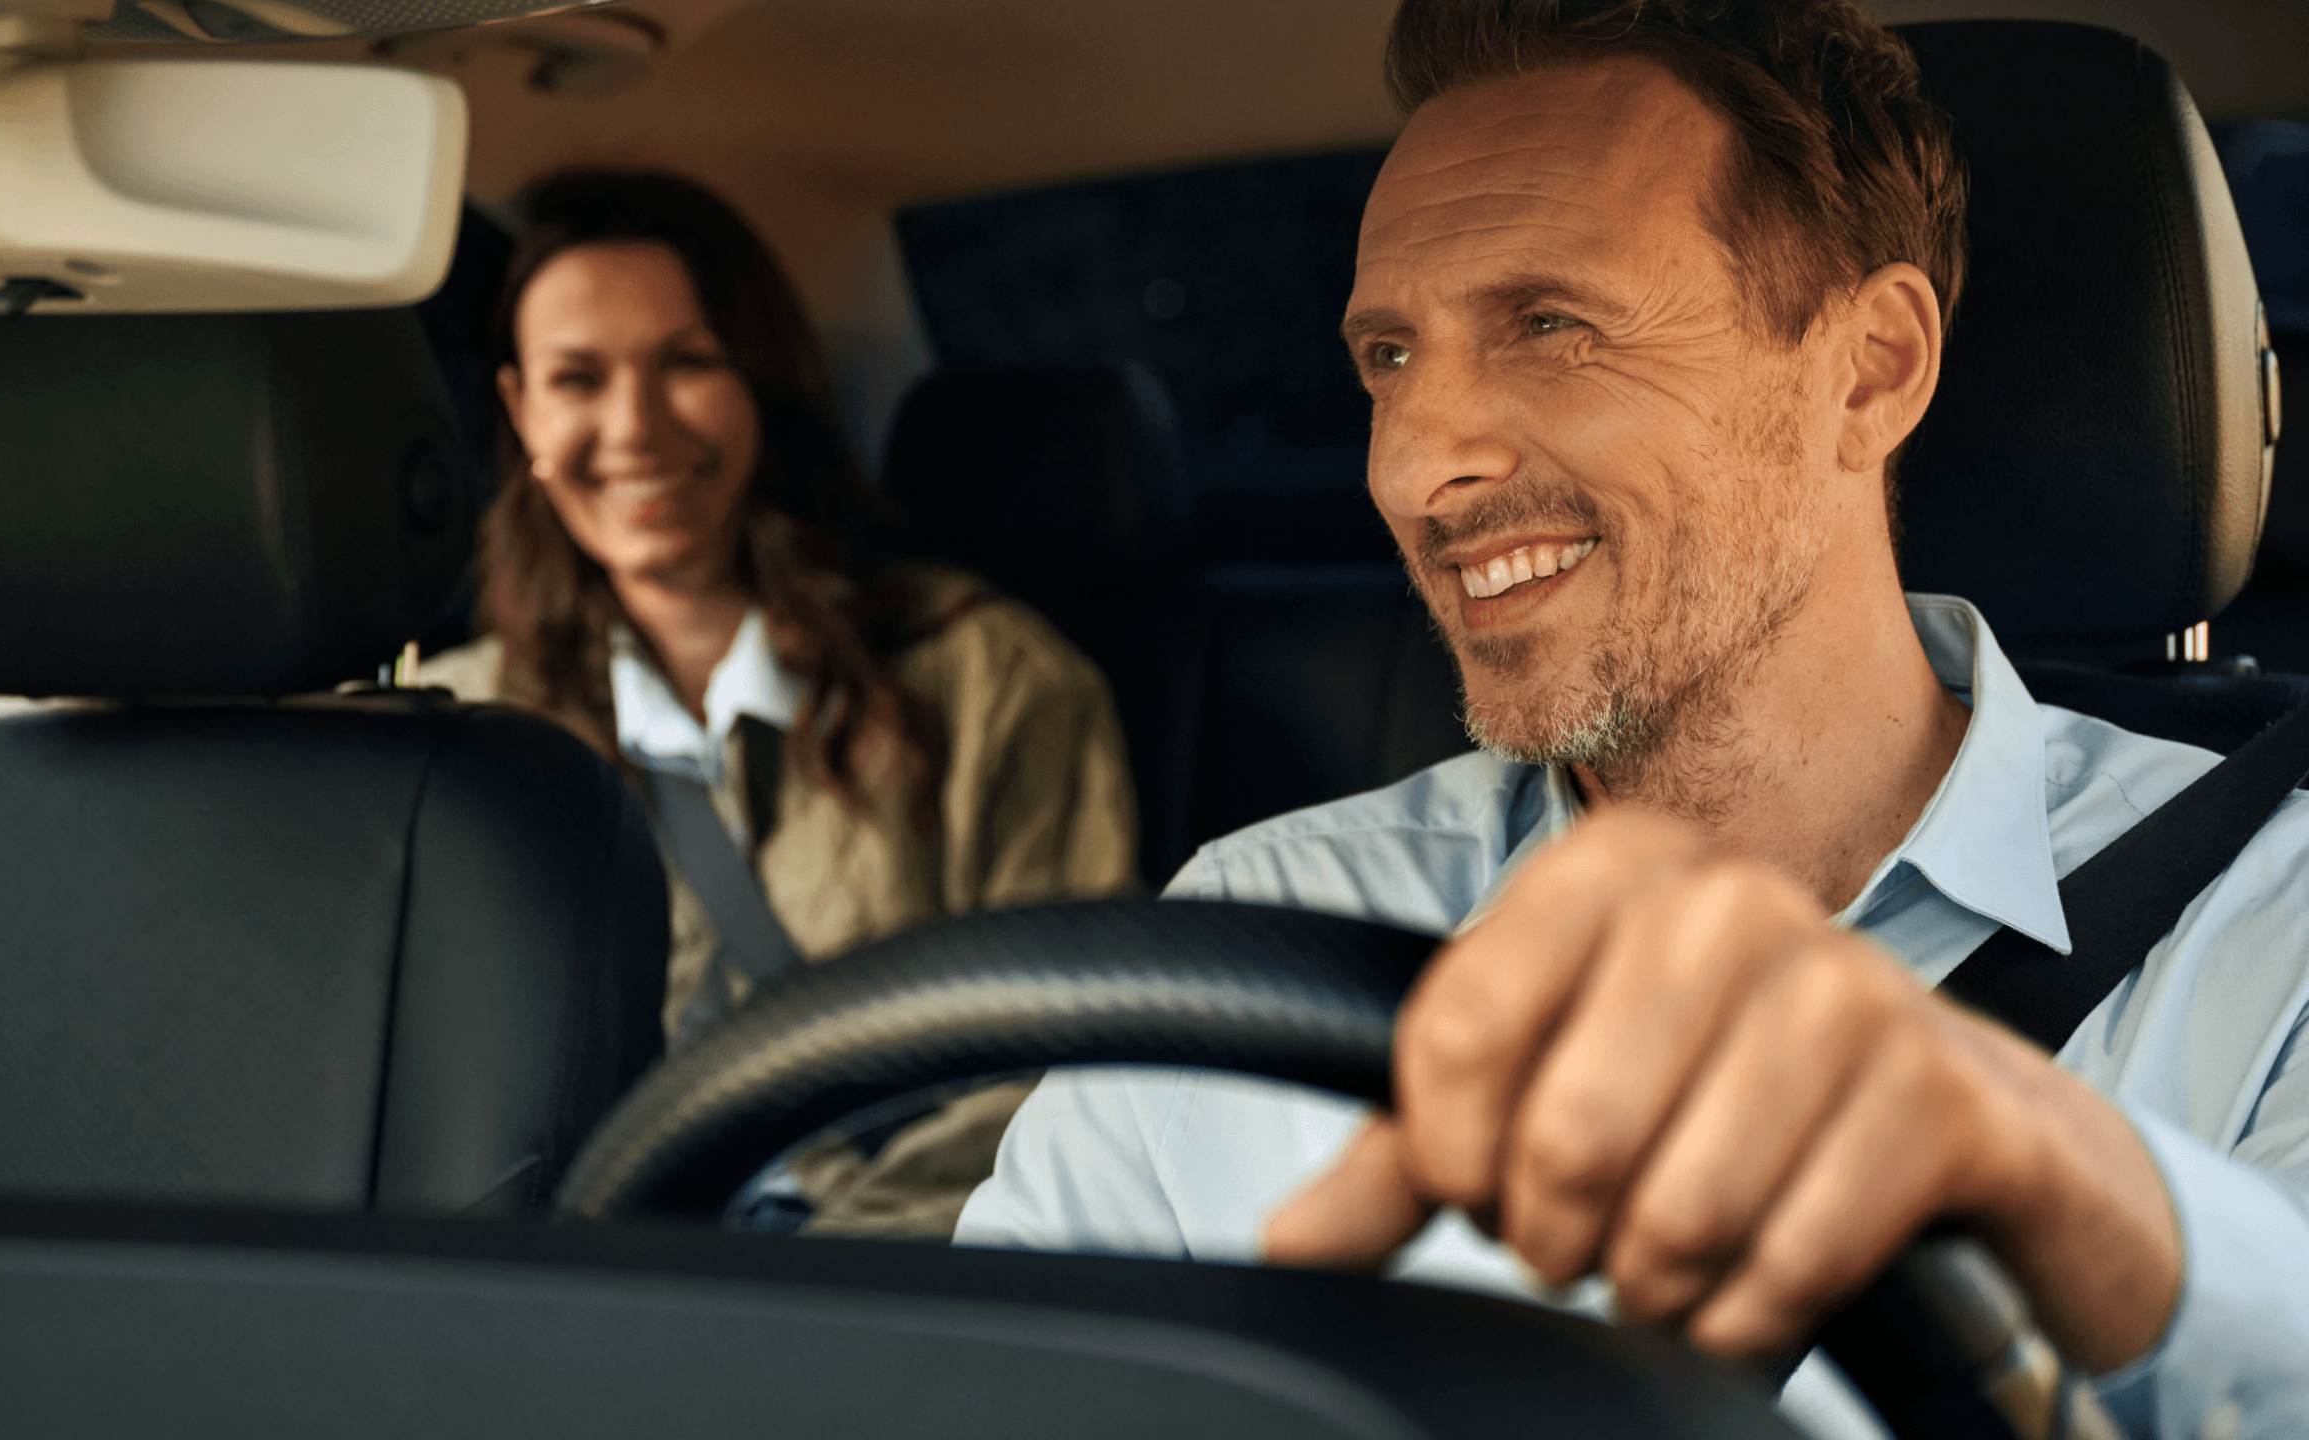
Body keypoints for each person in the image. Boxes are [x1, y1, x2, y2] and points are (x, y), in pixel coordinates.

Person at [956, 1, 2307, 1434]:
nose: (1421, 466)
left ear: (1872, 368)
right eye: (1388, 359)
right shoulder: (1245, 937)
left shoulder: (2269, 929)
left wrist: (2061, 1173)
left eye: (1552, 324)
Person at [413, 169, 1138, 1237]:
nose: (634, 428)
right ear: (520, 410)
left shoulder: (988, 678)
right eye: (577, 379)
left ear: (763, 377)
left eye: (687, 364)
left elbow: (1063, 1069)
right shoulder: (453, 736)